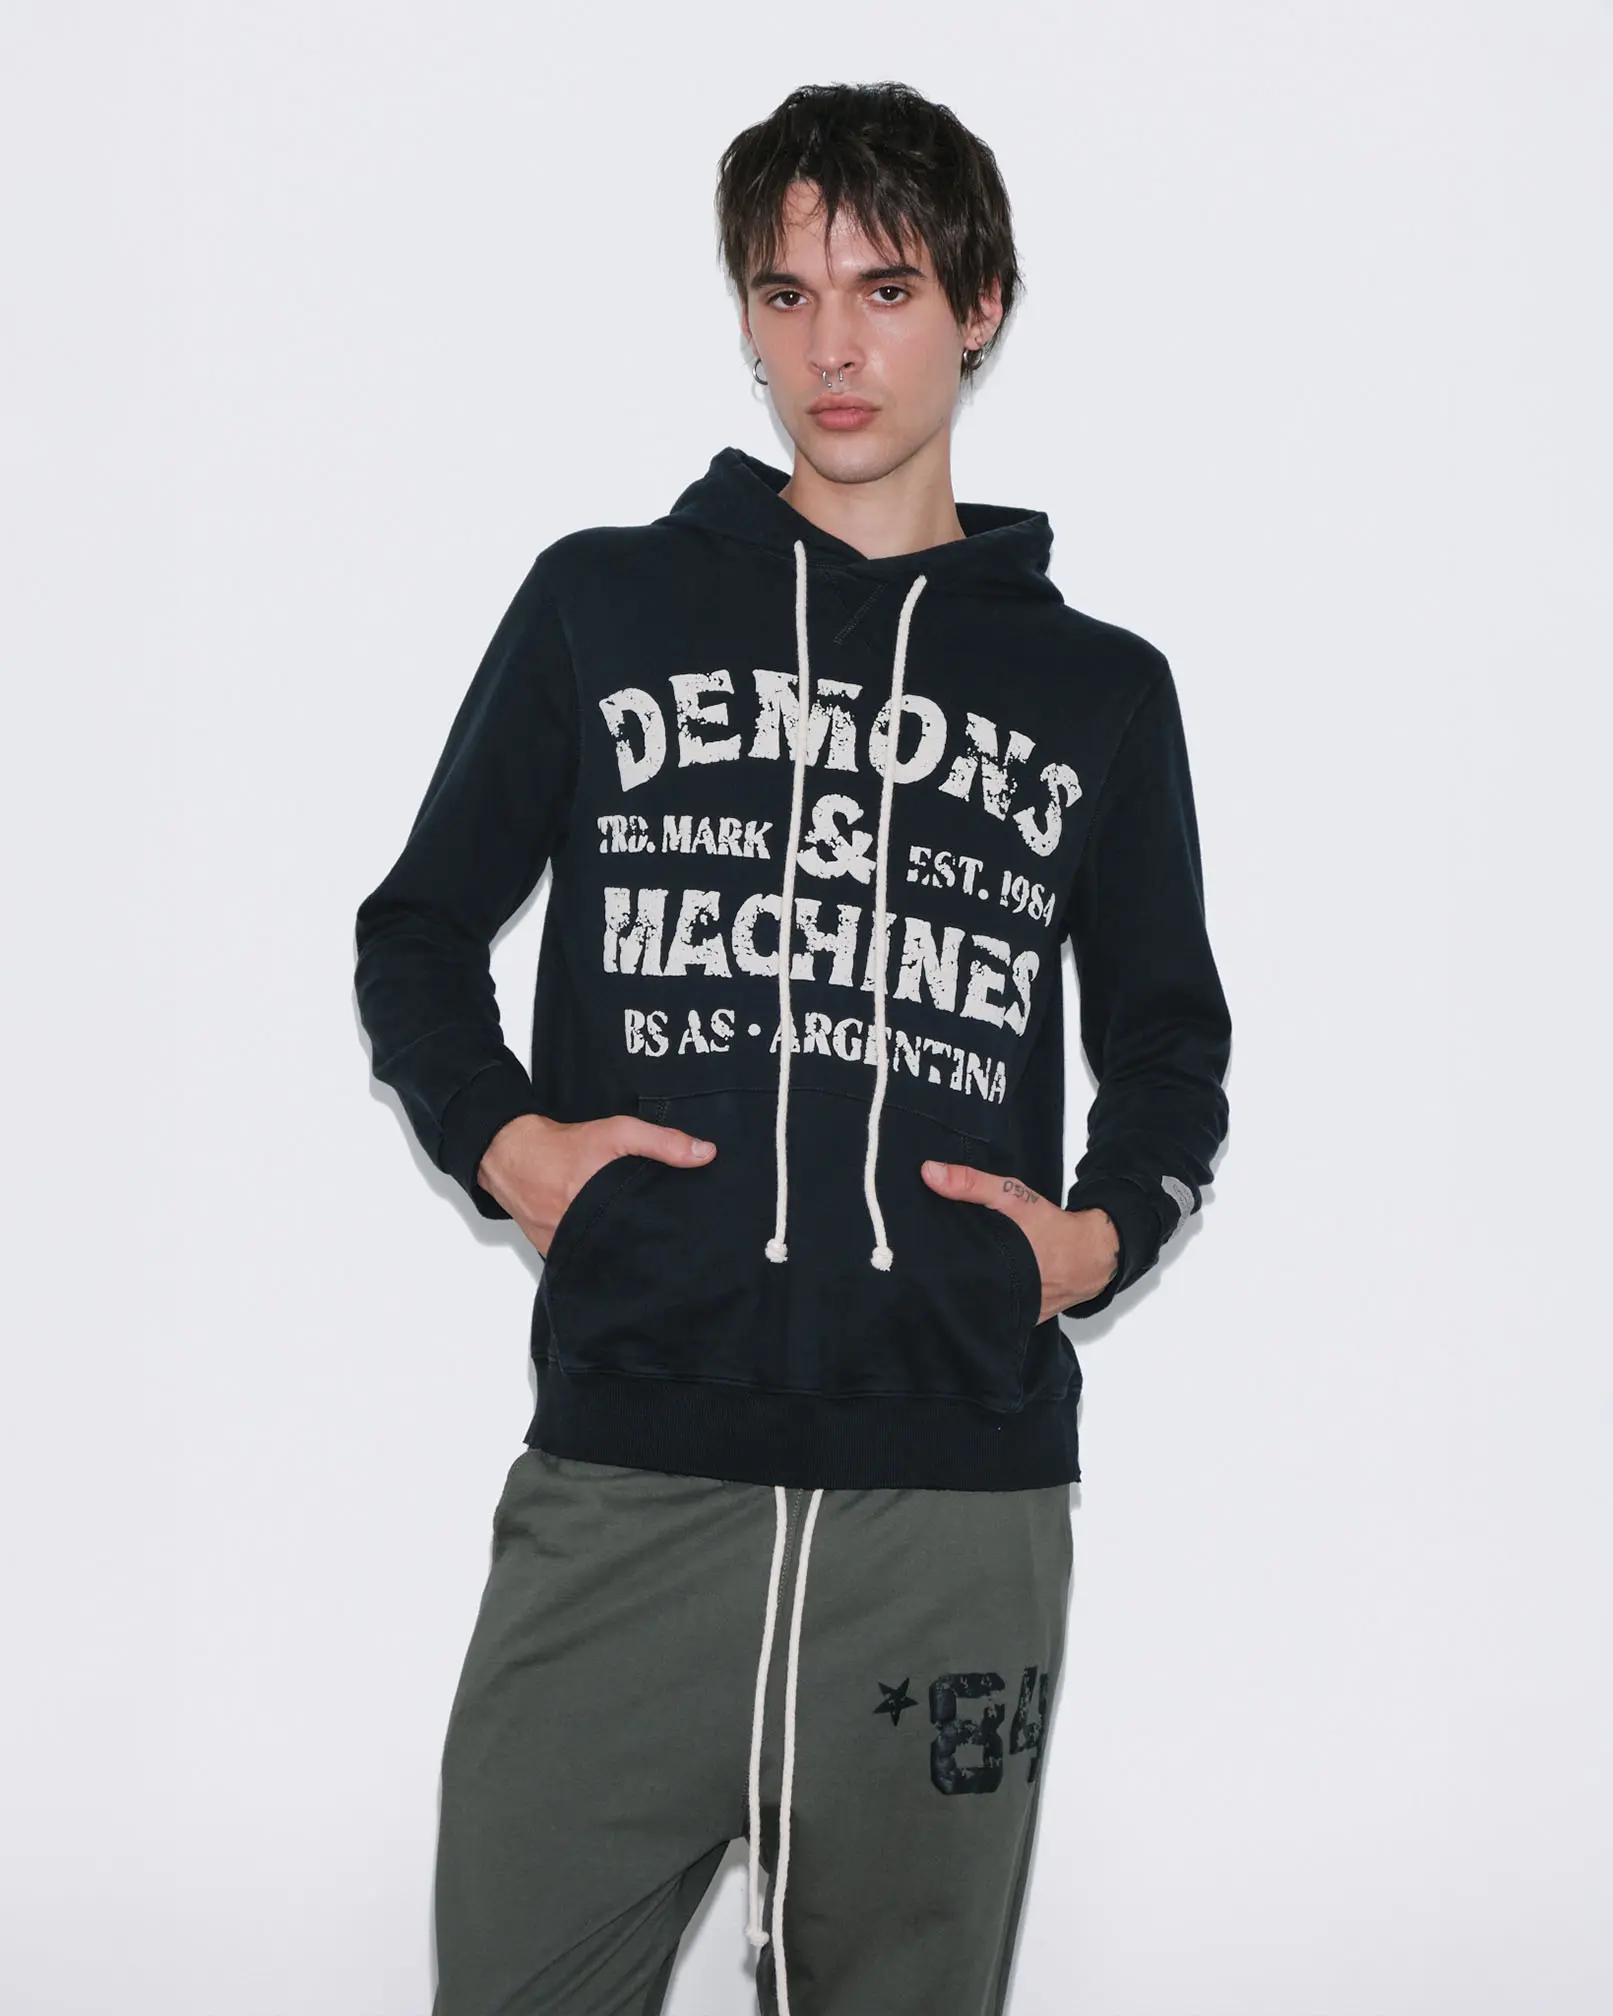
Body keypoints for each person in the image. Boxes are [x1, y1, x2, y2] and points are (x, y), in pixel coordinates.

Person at [354, 79, 1231, 2016]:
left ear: (979, 304)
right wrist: (511, 1147)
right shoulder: (603, 606)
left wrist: (1085, 1245)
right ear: (744, 313)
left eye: (885, 289)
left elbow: (1172, 1051)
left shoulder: (1097, 692)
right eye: (785, 292)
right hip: (626, 1488)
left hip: (954, 1520)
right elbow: (414, 933)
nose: (831, 347)